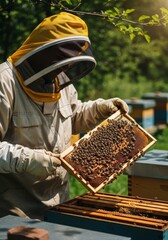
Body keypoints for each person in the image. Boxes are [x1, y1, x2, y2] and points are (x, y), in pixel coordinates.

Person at [0, 11, 129, 220]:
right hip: (14, 210)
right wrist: (27, 160)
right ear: (43, 51)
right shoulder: (4, 83)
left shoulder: (59, 81)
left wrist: (100, 109)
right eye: (63, 58)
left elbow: (71, 119)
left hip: (60, 202)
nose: (67, 66)